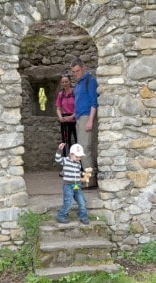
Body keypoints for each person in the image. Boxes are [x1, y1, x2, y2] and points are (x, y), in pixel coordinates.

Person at [70, 57, 99, 188]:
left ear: (83, 68)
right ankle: (89, 177)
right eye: (74, 72)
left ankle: (89, 180)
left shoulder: (90, 81)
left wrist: (90, 121)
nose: (76, 74)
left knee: (84, 149)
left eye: (78, 71)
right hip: (80, 118)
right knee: (85, 148)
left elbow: (94, 102)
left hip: (87, 118)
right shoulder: (79, 84)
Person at [55, 142, 89, 225]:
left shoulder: (78, 163)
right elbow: (57, 159)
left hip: (77, 185)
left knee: (82, 202)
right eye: (77, 156)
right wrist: (60, 150)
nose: (78, 158)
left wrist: (83, 175)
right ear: (71, 154)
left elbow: (77, 173)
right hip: (68, 186)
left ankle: (83, 217)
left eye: (80, 157)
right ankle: (61, 215)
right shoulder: (66, 160)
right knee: (68, 202)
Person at [55, 73, 77, 160]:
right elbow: (58, 108)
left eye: (66, 81)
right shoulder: (61, 94)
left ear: (70, 81)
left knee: (77, 140)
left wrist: (72, 116)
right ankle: (66, 164)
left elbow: (79, 107)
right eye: (63, 82)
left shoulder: (75, 92)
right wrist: (60, 117)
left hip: (75, 119)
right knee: (65, 142)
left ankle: (79, 165)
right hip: (64, 121)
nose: (65, 83)